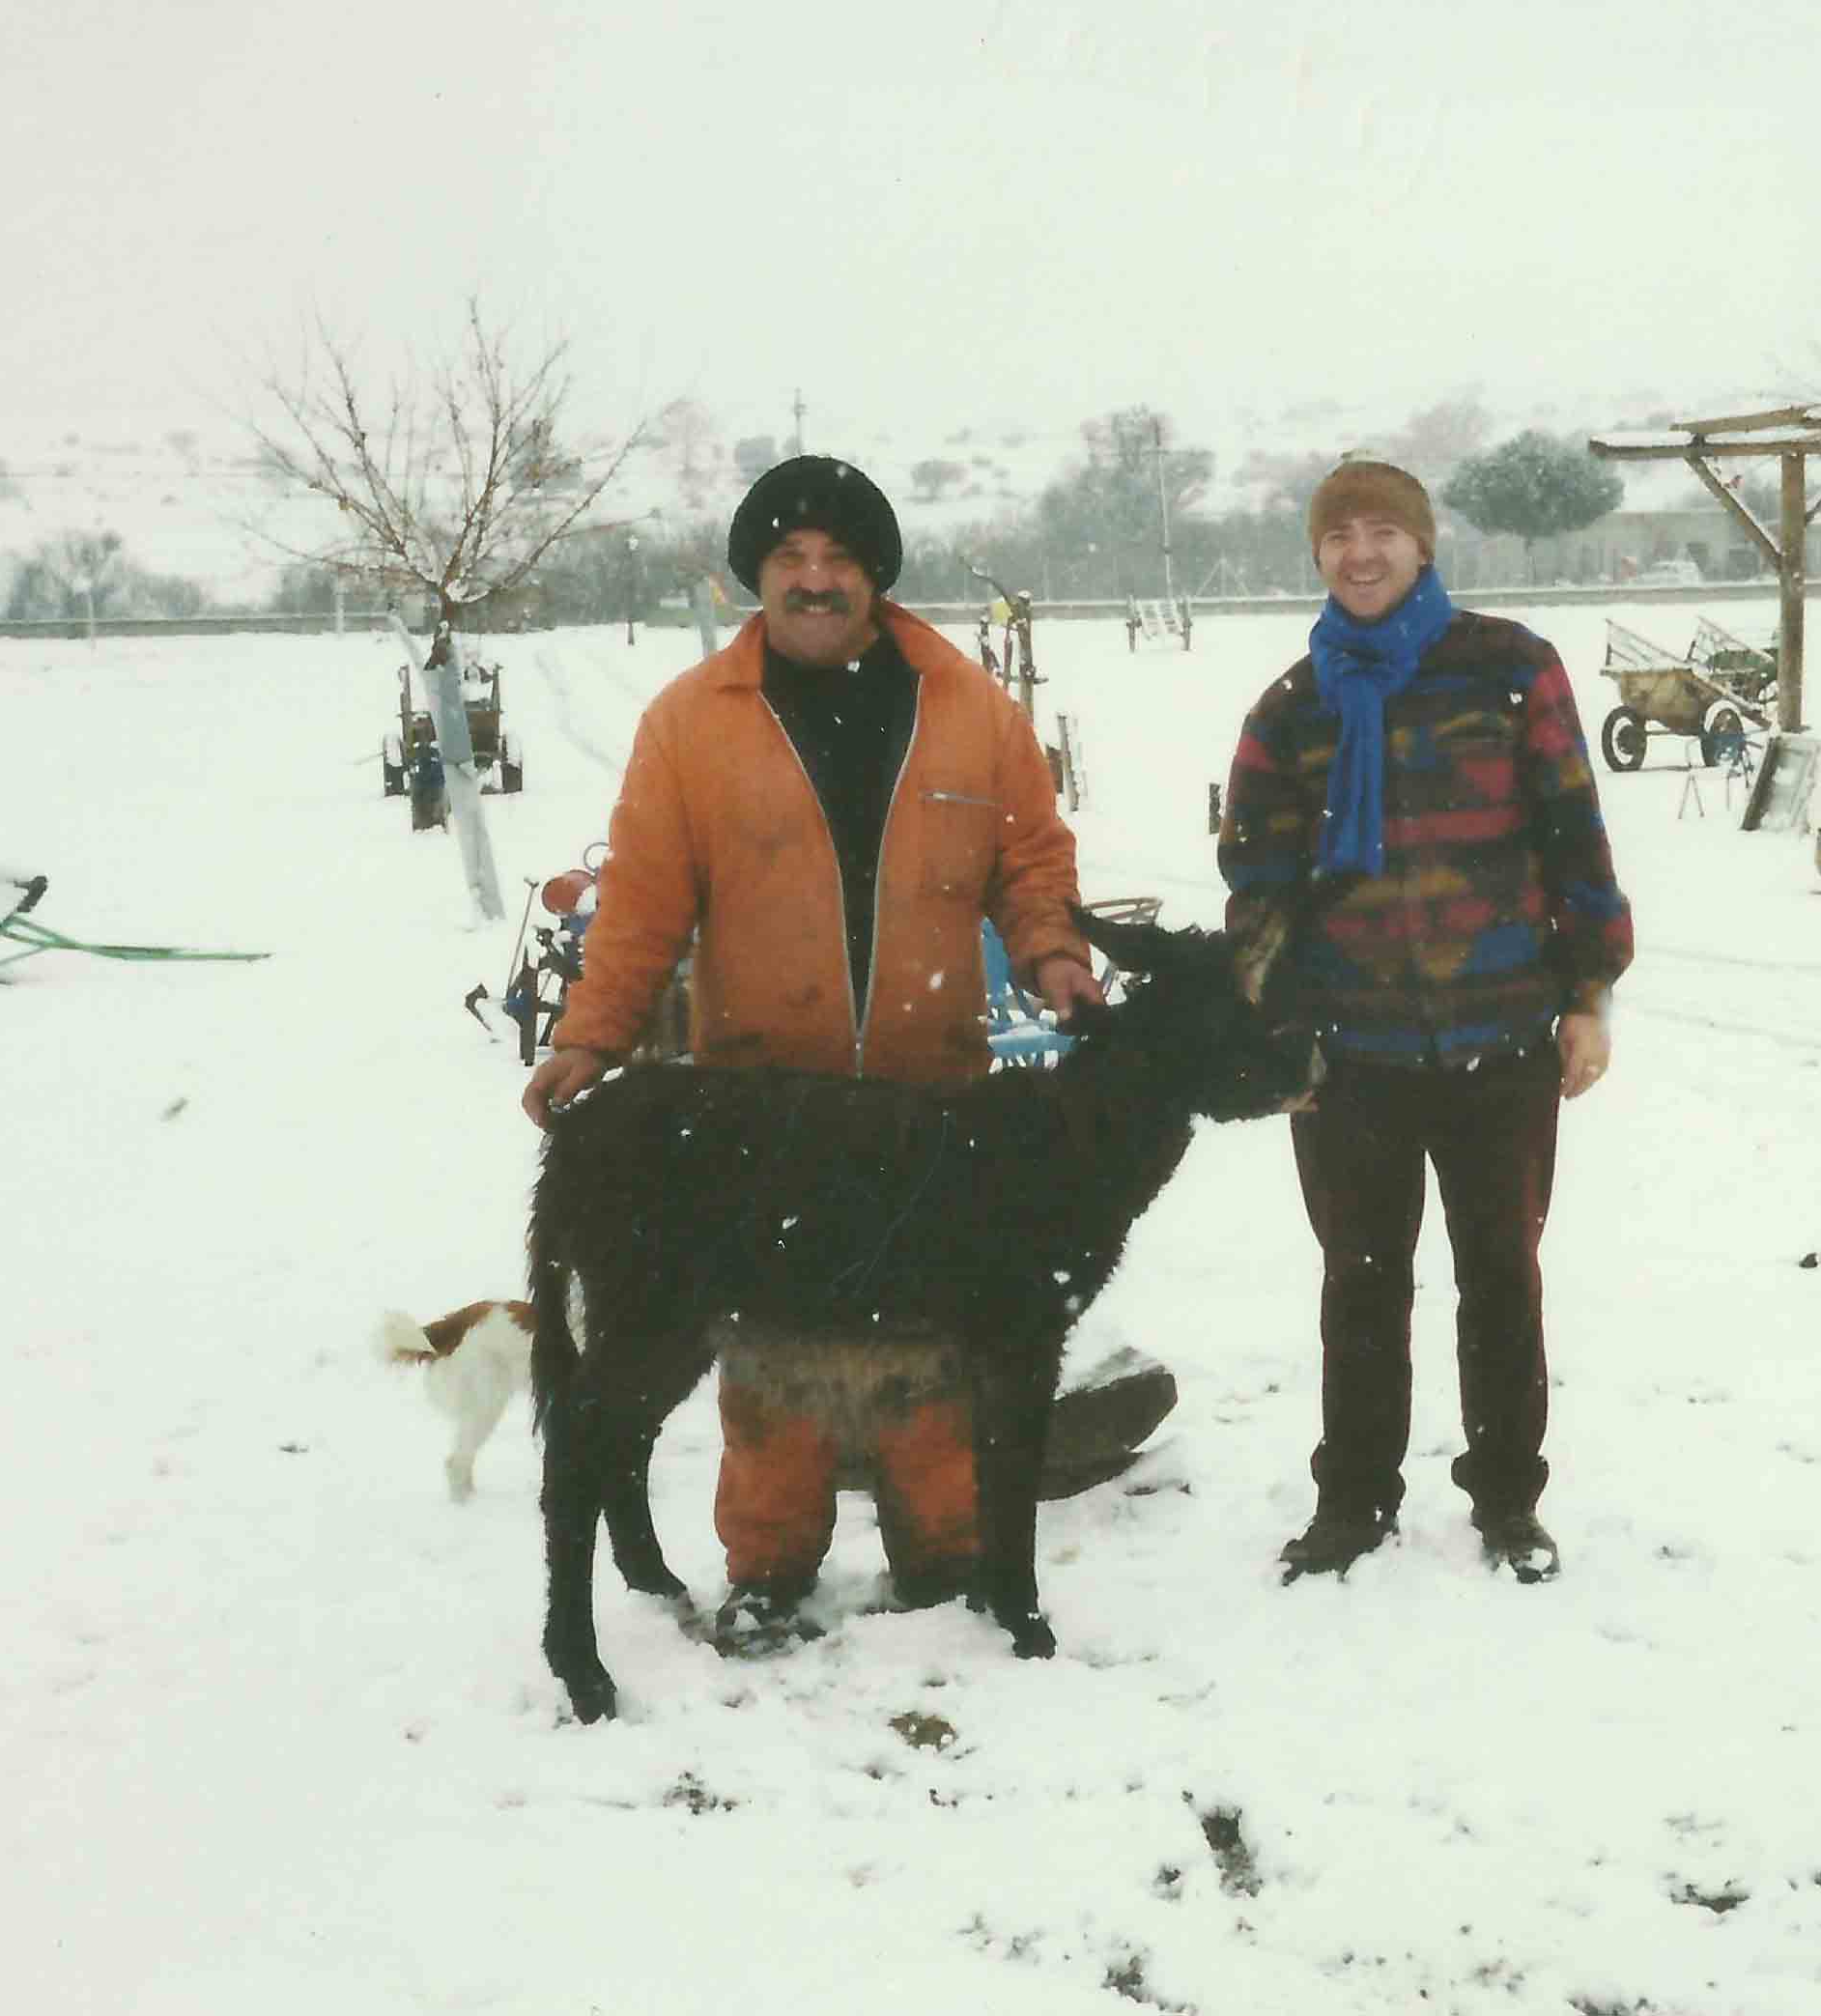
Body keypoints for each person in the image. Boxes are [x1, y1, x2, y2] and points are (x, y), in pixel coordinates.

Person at [521, 455, 1102, 1637]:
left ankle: (945, 1551)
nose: (815, 579)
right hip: (763, 1097)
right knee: (768, 1341)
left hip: (926, 1089)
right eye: (789, 560)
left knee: (940, 1342)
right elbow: (640, 904)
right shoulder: (692, 723)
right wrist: (589, 1035)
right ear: (757, 577)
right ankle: (772, 1563)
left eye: (839, 560)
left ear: (876, 576)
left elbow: (1031, 862)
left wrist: (1053, 956)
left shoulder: (969, 708)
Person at [1217, 459, 1633, 1588]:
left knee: (1502, 1273)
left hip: (1501, 1040)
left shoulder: (1510, 670)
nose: (1361, 553)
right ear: (1315, 555)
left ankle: (1507, 1498)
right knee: (1361, 1282)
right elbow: (1256, 887)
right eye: (1338, 535)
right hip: (1350, 1059)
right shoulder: (1291, 706)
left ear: (1423, 543)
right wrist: (1277, 1041)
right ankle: (1352, 1500)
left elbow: (1572, 837)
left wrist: (1588, 995)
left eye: (1382, 531)